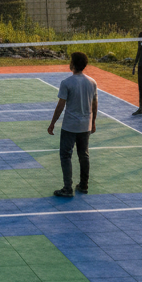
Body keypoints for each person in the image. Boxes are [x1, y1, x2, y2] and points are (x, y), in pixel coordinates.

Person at [46, 52, 98, 197]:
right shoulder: (92, 82)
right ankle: (83, 185)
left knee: (65, 155)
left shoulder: (67, 83)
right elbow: (94, 104)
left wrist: (52, 123)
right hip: (85, 125)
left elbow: (60, 105)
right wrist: (93, 122)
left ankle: (67, 188)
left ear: (73, 65)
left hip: (70, 126)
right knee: (84, 154)